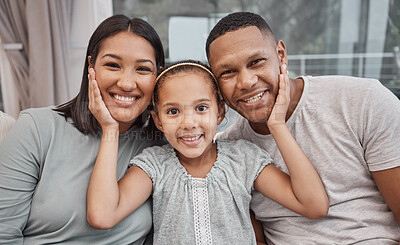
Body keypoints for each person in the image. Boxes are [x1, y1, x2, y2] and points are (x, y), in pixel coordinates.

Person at [206, 11, 400, 244]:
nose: (246, 82)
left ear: (280, 54)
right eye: (227, 72)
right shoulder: (228, 150)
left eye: (256, 62)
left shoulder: (363, 101)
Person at [86, 60, 329, 244]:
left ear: (220, 112)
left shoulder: (243, 159)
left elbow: (313, 205)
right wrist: (110, 129)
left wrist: (276, 125)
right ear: (157, 120)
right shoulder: (154, 166)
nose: (189, 122)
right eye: (173, 112)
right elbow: (102, 216)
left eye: (201, 108)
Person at [0, 14, 165, 244]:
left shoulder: (163, 148)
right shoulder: (37, 128)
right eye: (113, 65)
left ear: (158, 75)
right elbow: (4, 234)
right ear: (91, 67)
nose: (127, 83)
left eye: (143, 69)